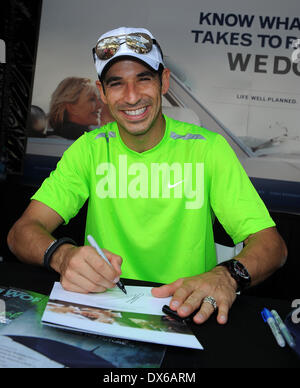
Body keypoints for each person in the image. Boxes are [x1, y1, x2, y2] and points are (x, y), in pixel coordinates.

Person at [7, 27, 287, 325]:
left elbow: (272, 246)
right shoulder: (89, 149)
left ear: (164, 81)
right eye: (116, 84)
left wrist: (227, 276)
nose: (131, 97)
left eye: (143, 79)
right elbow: (21, 233)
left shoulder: (208, 149)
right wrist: (62, 256)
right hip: (104, 309)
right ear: (102, 93)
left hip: (186, 311)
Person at [47, 76, 113, 140]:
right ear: (71, 107)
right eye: (91, 99)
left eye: (98, 99)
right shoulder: (54, 143)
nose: (100, 105)